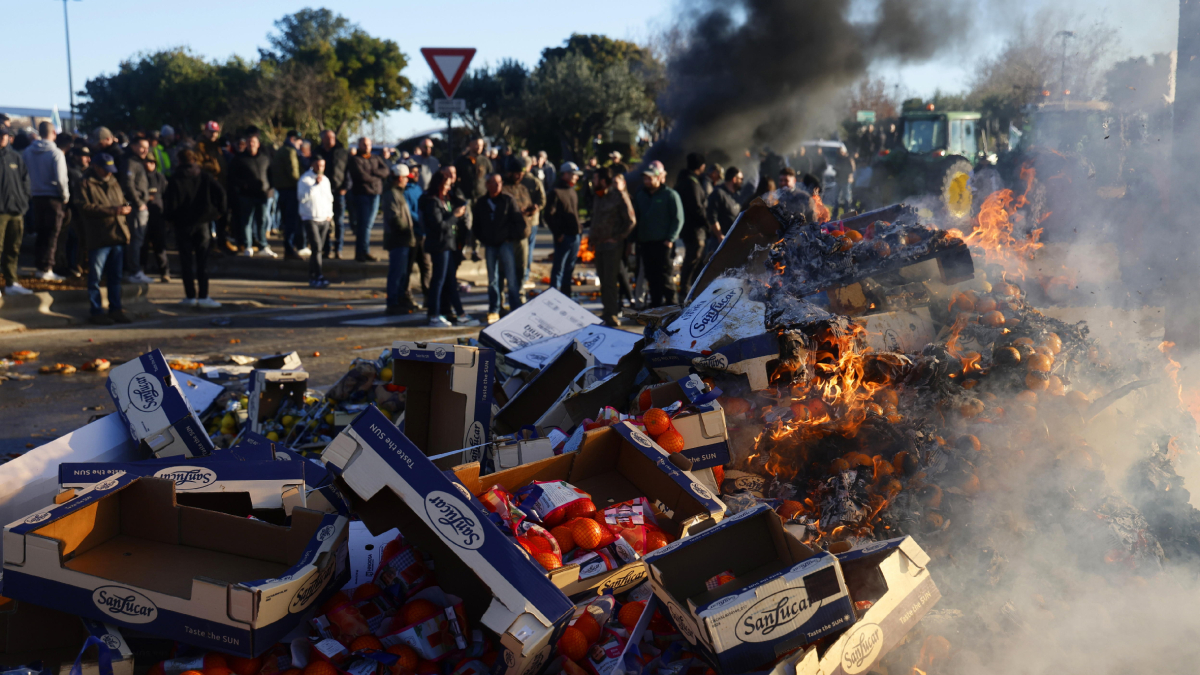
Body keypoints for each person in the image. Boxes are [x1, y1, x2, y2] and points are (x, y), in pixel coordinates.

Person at [164, 150, 225, 308]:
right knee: (202, 260)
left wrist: (170, 219)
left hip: (182, 224)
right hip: (202, 221)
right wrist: (218, 212)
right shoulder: (203, 176)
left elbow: (169, 203)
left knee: (186, 261)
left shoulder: (175, 179)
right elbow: (221, 192)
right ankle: (204, 295)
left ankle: (190, 295)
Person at [78, 153, 132, 324]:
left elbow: (122, 200)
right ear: (96, 167)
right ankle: (96, 311)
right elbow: (84, 207)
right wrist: (113, 211)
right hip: (99, 236)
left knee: (115, 277)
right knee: (95, 277)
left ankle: (116, 309)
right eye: (105, 170)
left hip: (117, 234)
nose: (108, 173)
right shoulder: (85, 183)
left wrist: (124, 208)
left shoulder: (114, 181)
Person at [419, 172, 469, 327]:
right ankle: (434, 314)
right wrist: (454, 215)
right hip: (439, 245)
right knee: (438, 280)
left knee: (450, 280)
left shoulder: (445, 199)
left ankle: (460, 313)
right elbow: (439, 225)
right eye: (446, 185)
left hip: (448, 245)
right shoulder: (432, 202)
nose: (448, 188)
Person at [474, 173, 526, 323]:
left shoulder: (508, 200)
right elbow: (476, 225)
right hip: (490, 244)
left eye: (499, 182)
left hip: (505, 243)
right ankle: (494, 308)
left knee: (511, 277)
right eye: (493, 183)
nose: (497, 186)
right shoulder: (482, 203)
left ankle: (515, 307)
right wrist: (483, 238)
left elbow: (519, 222)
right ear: (487, 184)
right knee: (493, 279)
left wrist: (510, 237)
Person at [24, 121, 70, 282]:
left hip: (35, 197)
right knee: (52, 234)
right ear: (53, 134)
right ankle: (47, 267)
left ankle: (40, 266)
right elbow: (61, 179)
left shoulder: (28, 151)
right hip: (53, 197)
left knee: (41, 233)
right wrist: (65, 196)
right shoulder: (56, 153)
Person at [633, 161, 683, 308]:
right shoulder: (641, 195)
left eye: (649, 178)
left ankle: (672, 307)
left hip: (663, 244)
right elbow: (636, 217)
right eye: (645, 178)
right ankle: (656, 308)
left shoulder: (670, 195)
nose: (646, 181)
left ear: (658, 178)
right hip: (646, 243)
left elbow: (678, 219)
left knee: (665, 277)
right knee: (651, 278)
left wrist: (670, 238)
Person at [589, 167, 635, 327]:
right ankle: (607, 311)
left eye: (595, 179)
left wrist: (617, 239)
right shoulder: (598, 197)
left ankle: (613, 314)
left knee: (610, 281)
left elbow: (630, 221)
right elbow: (596, 220)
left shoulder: (618, 196)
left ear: (602, 180)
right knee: (603, 280)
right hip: (599, 245)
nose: (592, 182)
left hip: (612, 247)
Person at [0, 124, 32, 297]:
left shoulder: (15, 158)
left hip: (16, 211)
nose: (3, 138)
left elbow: (25, 181)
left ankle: (11, 282)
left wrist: (23, 202)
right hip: (1, 212)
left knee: (13, 248)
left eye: (5, 135)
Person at [229, 133, 274, 256]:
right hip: (246, 196)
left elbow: (271, 174)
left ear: (258, 144)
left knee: (262, 221)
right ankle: (248, 246)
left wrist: (269, 188)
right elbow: (232, 177)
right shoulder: (239, 159)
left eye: (253, 142)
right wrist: (243, 185)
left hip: (262, 195)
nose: (251, 144)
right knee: (247, 222)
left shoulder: (265, 158)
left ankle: (263, 245)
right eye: (249, 142)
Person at [502, 156, 540, 298]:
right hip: (508, 237)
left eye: (521, 174)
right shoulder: (504, 189)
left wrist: (531, 210)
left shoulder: (523, 188)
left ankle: (519, 294)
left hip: (523, 235)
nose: (520, 176)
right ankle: (507, 300)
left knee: (522, 269)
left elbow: (528, 205)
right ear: (510, 173)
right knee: (507, 271)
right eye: (517, 173)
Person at [347, 137, 390, 261]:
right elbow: (361, 176)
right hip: (362, 194)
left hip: (375, 194)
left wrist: (373, 172)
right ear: (359, 145)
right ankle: (361, 252)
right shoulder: (355, 160)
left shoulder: (376, 158)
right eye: (364, 144)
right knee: (364, 224)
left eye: (369, 144)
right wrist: (376, 176)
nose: (367, 147)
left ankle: (364, 250)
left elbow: (385, 171)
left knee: (369, 225)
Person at [381, 168, 417, 313]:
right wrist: (406, 231)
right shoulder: (391, 194)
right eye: (405, 177)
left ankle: (400, 299)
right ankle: (393, 302)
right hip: (398, 239)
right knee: (396, 273)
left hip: (403, 239)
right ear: (399, 178)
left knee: (401, 273)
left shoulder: (397, 193)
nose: (407, 180)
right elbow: (394, 218)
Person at [545, 162, 583, 295]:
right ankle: (553, 296)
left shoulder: (572, 190)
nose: (576, 178)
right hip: (564, 237)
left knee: (570, 269)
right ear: (565, 174)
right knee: (559, 269)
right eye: (574, 175)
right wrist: (558, 233)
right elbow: (548, 215)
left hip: (575, 235)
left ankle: (567, 296)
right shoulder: (555, 191)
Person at [195, 121, 232, 252]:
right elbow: (198, 164)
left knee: (223, 214)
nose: (213, 134)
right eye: (211, 131)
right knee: (210, 215)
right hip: (209, 185)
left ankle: (222, 241)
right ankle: (211, 243)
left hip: (221, 184)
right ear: (205, 131)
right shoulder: (200, 146)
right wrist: (214, 167)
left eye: (215, 132)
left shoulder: (217, 145)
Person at [675, 152, 709, 295]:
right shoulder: (692, 183)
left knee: (693, 264)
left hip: (690, 230)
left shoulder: (684, 180)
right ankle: (686, 295)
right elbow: (697, 208)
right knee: (692, 264)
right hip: (695, 231)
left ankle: (688, 293)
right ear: (701, 166)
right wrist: (708, 224)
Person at [299, 156, 334, 288]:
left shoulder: (325, 180)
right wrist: (314, 185)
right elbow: (302, 198)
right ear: (312, 164)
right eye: (318, 165)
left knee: (318, 249)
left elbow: (329, 198)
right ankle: (317, 274)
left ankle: (314, 275)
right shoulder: (305, 179)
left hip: (324, 218)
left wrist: (330, 215)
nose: (320, 168)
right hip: (310, 218)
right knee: (316, 247)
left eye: (323, 166)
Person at [271, 130, 306, 260]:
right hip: (291, 190)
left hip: (282, 190)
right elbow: (293, 172)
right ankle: (290, 249)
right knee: (292, 222)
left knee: (287, 221)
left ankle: (290, 247)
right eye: (299, 140)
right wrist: (301, 184)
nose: (301, 142)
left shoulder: (281, 150)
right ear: (292, 139)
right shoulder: (291, 151)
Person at [315, 130, 350, 260]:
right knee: (324, 222)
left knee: (339, 222)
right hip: (322, 192)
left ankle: (338, 249)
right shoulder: (317, 152)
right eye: (328, 138)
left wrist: (345, 187)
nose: (331, 140)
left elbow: (347, 170)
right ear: (323, 139)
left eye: (333, 137)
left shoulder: (342, 152)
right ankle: (326, 249)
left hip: (338, 191)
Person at [142, 156, 169, 281]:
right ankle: (141, 271)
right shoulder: (140, 177)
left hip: (158, 216)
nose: (150, 164)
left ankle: (165, 272)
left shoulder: (160, 177)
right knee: (143, 246)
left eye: (152, 162)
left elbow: (166, 194)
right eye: (148, 162)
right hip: (143, 216)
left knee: (160, 246)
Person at [708, 166, 743, 246]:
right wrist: (719, 235)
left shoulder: (735, 195)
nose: (742, 182)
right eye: (741, 179)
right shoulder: (718, 193)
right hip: (719, 242)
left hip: (732, 241)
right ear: (734, 179)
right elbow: (712, 217)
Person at [454, 136, 492, 207]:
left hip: (482, 197)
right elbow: (455, 178)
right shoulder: (461, 160)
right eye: (477, 144)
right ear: (471, 144)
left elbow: (491, 175)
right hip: (466, 198)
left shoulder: (485, 161)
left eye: (481, 145)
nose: (479, 147)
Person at [833, 146, 856, 217]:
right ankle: (835, 214)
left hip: (846, 180)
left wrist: (848, 175)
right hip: (839, 180)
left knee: (847, 198)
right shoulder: (838, 158)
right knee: (836, 198)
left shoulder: (848, 159)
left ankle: (846, 214)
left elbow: (852, 169)